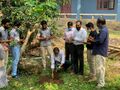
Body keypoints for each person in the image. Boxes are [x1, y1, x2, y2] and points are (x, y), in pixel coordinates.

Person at [89, 18, 109, 88]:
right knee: (100, 68)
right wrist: (94, 39)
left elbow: (100, 41)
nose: (96, 24)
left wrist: (93, 40)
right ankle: (100, 81)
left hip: (100, 52)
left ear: (100, 23)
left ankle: (101, 83)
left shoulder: (103, 31)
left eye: (97, 23)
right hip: (100, 51)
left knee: (100, 68)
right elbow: (99, 39)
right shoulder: (103, 30)